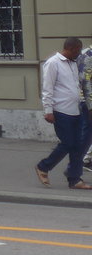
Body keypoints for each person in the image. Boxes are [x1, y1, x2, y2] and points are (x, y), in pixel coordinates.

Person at [36, 37, 90, 189]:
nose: (79, 53)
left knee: (78, 146)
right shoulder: (53, 63)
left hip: (76, 110)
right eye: (78, 50)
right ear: (71, 48)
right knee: (67, 143)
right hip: (60, 111)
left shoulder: (73, 63)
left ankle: (75, 179)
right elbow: (47, 88)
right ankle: (43, 166)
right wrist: (48, 110)